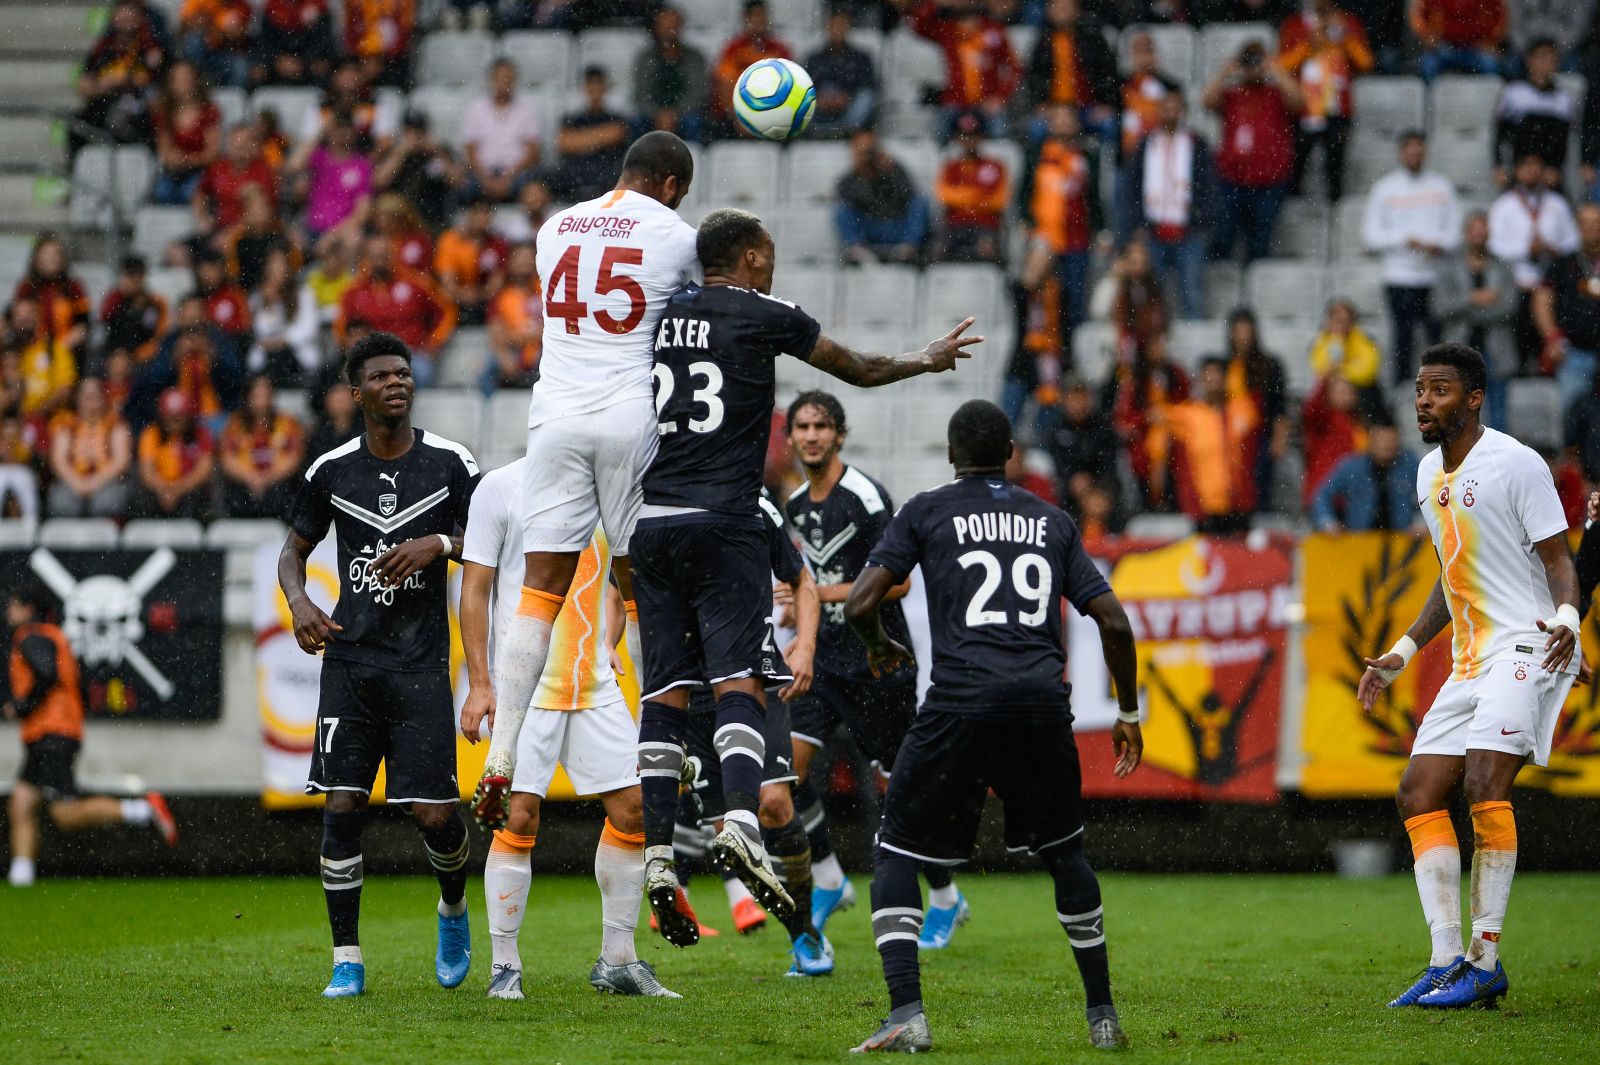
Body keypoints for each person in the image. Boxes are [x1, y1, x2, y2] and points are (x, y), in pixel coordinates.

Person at [626, 207, 980, 946]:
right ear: (752, 255)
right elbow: (860, 368)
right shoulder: (765, 313)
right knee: (738, 685)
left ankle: (659, 851)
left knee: (664, 692)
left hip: (650, 519)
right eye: (771, 254)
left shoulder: (659, 313)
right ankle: (744, 826)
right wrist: (925, 358)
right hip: (724, 517)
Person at [842, 398, 1142, 1053]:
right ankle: (1102, 1016)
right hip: (1038, 703)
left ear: (952, 454)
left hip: (957, 702)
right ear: (1012, 453)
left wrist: (876, 644)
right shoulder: (1051, 519)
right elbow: (1114, 622)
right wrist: (1127, 711)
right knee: (1066, 853)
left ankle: (907, 1014)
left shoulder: (925, 509)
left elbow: (861, 602)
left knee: (895, 850)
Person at [470, 131, 700, 825]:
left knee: (540, 589)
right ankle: (658, 738)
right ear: (668, 184)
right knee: (639, 584)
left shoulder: (554, 228)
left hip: (556, 416)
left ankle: (501, 755)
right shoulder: (677, 234)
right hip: (630, 412)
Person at [1359, 342, 1580, 1009]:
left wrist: (1568, 617)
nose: (1424, 400)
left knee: (1484, 779)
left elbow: (1559, 559)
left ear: (1475, 397)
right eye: (1421, 388)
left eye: (1441, 389)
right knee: (1418, 790)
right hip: (1467, 656)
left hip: (1526, 644)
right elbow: (1452, 574)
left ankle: (1485, 960)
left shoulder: (1517, 463)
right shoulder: (1428, 472)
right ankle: (1446, 957)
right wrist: (1402, 649)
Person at [277, 332, 480, 999]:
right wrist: (300, 599)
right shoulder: (332, 469)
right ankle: (347, 958)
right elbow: (292, 550)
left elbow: (488, 547)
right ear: (356, 392)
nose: (398, 381)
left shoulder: (451, 463)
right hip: (350, 662)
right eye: (382, 376)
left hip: (420, 665)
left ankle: (452, 906)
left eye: (404, 372)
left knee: (435, 817)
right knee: (341, 807)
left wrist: (440, 541)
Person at [458, 456, 675, 1000]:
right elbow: (476, 588)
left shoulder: (614, 485)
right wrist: (480, 682)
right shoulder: (500, 487)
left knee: (636, 809)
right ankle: (504, 966)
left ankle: (618, 958)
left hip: (593, 683)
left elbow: (626, 584)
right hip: (523, 688)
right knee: (519, 817)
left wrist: (621, 643)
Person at [783, 390, 971, 949]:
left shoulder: (865, 498)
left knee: (898, 789)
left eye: (821, 426)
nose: (812, 435)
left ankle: (944, 896)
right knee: (784, 777)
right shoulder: (794, 504)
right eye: (802, 426)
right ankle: (828, 879)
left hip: (875, 658)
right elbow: (808, 585)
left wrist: (821, 591)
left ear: (840, 435)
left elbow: (900, 579)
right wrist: (800, 603)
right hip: (821, 660)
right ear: (790, 437)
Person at [674, 490, 824, 967]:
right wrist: (615, 642)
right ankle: (790, 922)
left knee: (776, 806)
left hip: (754, 677)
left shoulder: (753, 503)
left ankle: (805, 933)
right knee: (726, 836)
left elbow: (802, 581)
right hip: (691, 690)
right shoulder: (659, 502)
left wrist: (803, 647)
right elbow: (620, 589)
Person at [5, 583, 179, 889]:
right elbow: (76, 685)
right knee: (21, 802)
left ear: (29, 609)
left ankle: (141, 809)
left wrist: (22, 706)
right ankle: (21, 876)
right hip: (53, 733)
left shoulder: (30, 636)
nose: (9, 610)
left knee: (65, 814)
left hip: (51, 733)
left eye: (15, 604)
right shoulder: (56, 637)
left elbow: (46, 674)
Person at [1364, 131, 1461, 385]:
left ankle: (1439, 388)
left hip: (1433, 276)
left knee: (1436, 340)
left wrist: (1435, 244)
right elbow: (1371, 235)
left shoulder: (1441, 186)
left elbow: (1454, 232)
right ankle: (1403, 390)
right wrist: (1404, 240)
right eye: (1410, 149)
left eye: (1419, 149)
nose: (1414, 154)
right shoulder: (1384, 188)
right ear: (1401, 152)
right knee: (1402, 339)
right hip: (1399, 275)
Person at [1115, 90, 1215, 320]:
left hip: (1188, 232)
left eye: (1175, 107)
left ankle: (1194, 346)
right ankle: (1152, 346)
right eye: (1165, 107)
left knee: (1192, 294)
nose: (1170, 112)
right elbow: (1131, 189)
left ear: (1183, 111)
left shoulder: (1196, 145)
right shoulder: (1145, 145)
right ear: (1158, 111)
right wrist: (1136, 225)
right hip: (1152, 232)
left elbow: (1209, 188)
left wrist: (1201, 222)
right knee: (1150, 296)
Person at [1203, 40, 1302, 264]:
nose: (1252, 66)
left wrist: (1274, 69)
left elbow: (1298, 102)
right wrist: (1225, 72)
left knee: (1260, 242)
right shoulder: (1233, 94)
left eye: (1256, 61)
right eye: (1248, 61)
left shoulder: (1276, 94)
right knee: (1223, 238)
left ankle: (1255, 289)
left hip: (1270, 180)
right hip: (1232, 178)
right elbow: (1206, 101)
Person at [1278, 0, 1373, 203]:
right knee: (1297, 166)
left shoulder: (1347, 23)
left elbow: (1366, 63)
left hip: (1336, 109)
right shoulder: (1294, 25)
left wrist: (1344, 37)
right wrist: (1308, 45)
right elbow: (1283, 66)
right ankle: (1297, 217)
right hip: (1304, 109)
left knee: (1335, 167)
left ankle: (1335, 215)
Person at [336, 234, 457, 388]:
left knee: (419, 372)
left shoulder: (417, 283)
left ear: (394, 254)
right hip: (370, 358)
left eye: (384, 254)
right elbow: (341, 328)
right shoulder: (353, 292)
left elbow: (448, 311)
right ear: (365, 257)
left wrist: (434, 341)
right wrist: (355, 350)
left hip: (411, 356)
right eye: (374, 256)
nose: (380, 260)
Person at [1158, 356, 1260, 532]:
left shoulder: (1240, 409)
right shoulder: (1189, 414)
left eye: (1218, 374)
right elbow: (1157, 416)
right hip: (1204, 506)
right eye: (1208, 374)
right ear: (1201, 379)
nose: (1213, 379)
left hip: (1237, 502)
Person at [1435, 211, 1518, 428]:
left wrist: (1466, 310)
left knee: (1498, 413)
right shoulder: (1450, 265)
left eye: (1483, 230)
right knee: (1457, 411)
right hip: (1460, 349)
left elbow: (1509, 307)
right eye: (1475, 230)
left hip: (1495, 348)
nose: (1479, 235)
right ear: (1466, 233)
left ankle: (1496, 459)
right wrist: (1472, 298)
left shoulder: (1503, 266)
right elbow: (1439, 307)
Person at [900, 0, 1020, 141]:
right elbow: (918, 25)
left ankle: (992, 163)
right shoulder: (947, 30)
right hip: (955, 103)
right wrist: (936, 3)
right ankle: (947, 162)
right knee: (937, 135)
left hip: (986, 104)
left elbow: (1014, 68)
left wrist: (1000, 97)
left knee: (1001, 137)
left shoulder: (994, 30)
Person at [1533, 203, 1600, 413]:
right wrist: (1553, 338)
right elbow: (1542, 301)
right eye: (1586, 223)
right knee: (1572, 417)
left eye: (1596, 223)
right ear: (1577, 226)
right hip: (1574, 352)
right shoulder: (1563, 263)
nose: (1591, 228)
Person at [1022, 0, 1118, 145]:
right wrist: (1042, 104)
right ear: (1049, 12)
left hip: (1088, 108)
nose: (1063, 12)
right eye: (1058, 7)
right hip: (1054, 109)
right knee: (1036, 128)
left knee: (1109, 124)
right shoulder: (1043, 43)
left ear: (1077, 11)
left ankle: (1104, 167)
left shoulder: (1093, 39)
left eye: (1067, 7)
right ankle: (1043, 167)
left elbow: (1107, 74)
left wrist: (1105, 103)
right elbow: (1034, 78)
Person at [834, 129, 928, 265]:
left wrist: (889, 173)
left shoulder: (893, 169)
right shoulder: (852, 177)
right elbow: (850, 197)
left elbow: (908, 194)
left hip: (897, 225)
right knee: (841, 209)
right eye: (863, 151)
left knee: (921, 202)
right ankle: (857, 249)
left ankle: (908, 248)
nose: (868, 156)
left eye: (870, 150)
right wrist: (863, 175)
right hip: (870, 228)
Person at [220, 374, 304, 518]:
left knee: (284, 493)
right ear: (248, 397)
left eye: (266, 394)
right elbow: (227, 459)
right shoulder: (234, 425)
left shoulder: (288, 424)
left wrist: (267, 478)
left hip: (277, 485)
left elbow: (294, 458)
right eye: (257, 394)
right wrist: (250, 478)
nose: (262, 400)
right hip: (244, 486)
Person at [1494, 37, 1574, 190]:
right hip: (1519, 171)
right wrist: (1499, 165)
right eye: (1542, 56)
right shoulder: (1514, 92)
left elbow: (1563, 140)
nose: (1548, 62)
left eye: (1553, 57)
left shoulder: (1563, 99)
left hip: (1550, 174)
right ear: (1529, 59)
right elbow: (1500, 132)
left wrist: (1556, 168)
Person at [46, 377, 132, 518]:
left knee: (107, 502)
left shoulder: (115, 424)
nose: (90, 403)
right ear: (77, 400)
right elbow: (58, 461)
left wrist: (93, 483)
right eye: (86, 397)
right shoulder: (66, 425)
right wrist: (78, 483)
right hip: (72, 483)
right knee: (62, 502)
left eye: (94, 397)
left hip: (106, 483)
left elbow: (121, 461)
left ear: (103, 399)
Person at [1311, 420, 1420, 531]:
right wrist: (1328, 522)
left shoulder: (1410, 465)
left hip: (1403, 539)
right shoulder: (1352, 467)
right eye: (1381, 440)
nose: (1387, 445)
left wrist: (1421, 522)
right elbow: (1322, 496)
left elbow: (1433, 495)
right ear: (1371, 441)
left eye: (1391, 440)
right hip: (1360, 539)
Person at [463, 58, 544, 205]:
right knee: (461, 183)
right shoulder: (476, 109)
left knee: (533, 186)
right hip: (483, 174)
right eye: (500, 78)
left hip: (516, 174)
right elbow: (470, 151)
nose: (504, 83)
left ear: (514, 81)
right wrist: (486, 178)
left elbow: (533, 152)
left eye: (508, 78)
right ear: (491, 80)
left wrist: (508, 177)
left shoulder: (526, 110)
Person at [934, 111, 1010, 265]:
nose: (969, 140)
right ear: (957, 138)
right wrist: (978, 195)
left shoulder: (995, 166)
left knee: (987, 251)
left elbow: (999, 200)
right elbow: (943, 195)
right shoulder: (951, 167)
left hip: (986, 224)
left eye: (974, 135)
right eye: (964, 135)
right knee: (937, 252)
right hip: (955, 224)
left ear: (981, 137)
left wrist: (962, 198)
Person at [709, 1, 792, 138]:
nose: (758, 20)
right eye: (754, 16)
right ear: (745, 19)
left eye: (762, 16)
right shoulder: (733, 50)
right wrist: (740, 117)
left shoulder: (779, 50)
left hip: (772, 114)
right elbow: (725, 85)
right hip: (735, 117)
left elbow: (789, 86)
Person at [552, 67, 632, 203]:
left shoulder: (616, 117)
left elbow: (616, 133)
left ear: (605, 87)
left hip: (607, 174)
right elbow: (563, 143)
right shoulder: (573, 118)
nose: (594, 90)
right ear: (584, 88)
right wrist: (601, 138)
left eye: (598, 84)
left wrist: (579, 140)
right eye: (591, 84)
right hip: (576, 174)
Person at [134, 388, 216, 519]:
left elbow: (204, 470)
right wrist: (163, 489)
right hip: (158, 493)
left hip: (189, 492)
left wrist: (177, 490)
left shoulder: (201, 434)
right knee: (141, 494)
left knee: (201, 495)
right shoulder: (151, 434)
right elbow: (146, 470)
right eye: (170, 417)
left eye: (179, 417)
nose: (174, 423)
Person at [633, 6, 710, 143]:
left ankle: (692, 160)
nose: (669, 30)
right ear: (656, 27)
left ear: (680, 26)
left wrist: (675, 114)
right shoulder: (646, 58)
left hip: (685, 114)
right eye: (665, 25)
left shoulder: (695, 57)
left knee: (695, 123)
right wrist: (658, 114)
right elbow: (641, 93)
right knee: (635, 123)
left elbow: (698, 93)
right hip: (652, 115)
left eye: (673, 25)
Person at [247, 246, 321, 386]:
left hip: (297, 358)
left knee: (282, 358)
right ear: (266, 268)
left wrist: (283, 340)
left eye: (281, 264)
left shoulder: (303, 293)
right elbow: (258, 331)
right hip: (267, 360)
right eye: (273, 264)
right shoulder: (257, 297)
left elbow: (309, 328)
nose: (277, 269)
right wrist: (269, 305)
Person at [151, 60, 221, 205]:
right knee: (161, 192)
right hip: (175, 172)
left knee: (188, 193)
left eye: (186, 78)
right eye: (178, 79)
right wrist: (175, 161)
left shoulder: (208, 112)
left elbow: (212, 154)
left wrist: (186, 160)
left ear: (195, 80)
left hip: (201, 170)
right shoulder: (164, 114)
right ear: (171, 84)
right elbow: (164, 151)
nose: (183, 83)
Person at [434, 197, 510, 326]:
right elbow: (447, 280)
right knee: (442, 295)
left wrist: (478, 293)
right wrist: (461, 293)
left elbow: (497, 282)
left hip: (485, 300)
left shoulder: (498, 244)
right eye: (478, 213)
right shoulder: (451, 240)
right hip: (456, 298)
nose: (483, 218)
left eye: (487, 213)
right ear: (469, 215)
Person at [804, 9, 878, 139]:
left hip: (849, 109)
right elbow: (805, 86)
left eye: (842, 25)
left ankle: (846, 130)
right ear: (827, 27)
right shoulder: (814, 58)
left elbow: (868, 85)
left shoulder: (861, 58)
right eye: (834, 25)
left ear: (849, 27)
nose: (838, 29)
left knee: (866, 96)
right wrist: (821, 100)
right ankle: (819, 131)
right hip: (820, 109)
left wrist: (847, 97)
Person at [14, 235, 92, 357]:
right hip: (31, 352)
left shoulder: (73, 287)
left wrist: (61, 347)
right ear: (36, 259)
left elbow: (83, 324)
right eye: (46, 254)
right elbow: (15, 322)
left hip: (67, 353)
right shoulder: (27, 288)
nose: (52, 259)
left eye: (56, 254)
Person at [195, 125, 278, 238]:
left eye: (244, 141)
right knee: (177, 250)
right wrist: (203, 218)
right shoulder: (218, 167)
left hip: (252, 233)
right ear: (229, 144)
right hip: (220, 229)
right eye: (236, 141)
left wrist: (232, 233)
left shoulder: (262, 170)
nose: (240, 145)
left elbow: (263, 213)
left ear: (253, 145)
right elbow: (200, 192)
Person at [483, 243, 541, 394]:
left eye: (529, 258)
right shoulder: (501, 295)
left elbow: (552, 329)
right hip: (512, 350)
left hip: (542, 350)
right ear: (510, 263)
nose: (524, 263)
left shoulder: (546, 291)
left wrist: (518, 337)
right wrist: (504, 354)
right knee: (488, 369)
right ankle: (488, 415)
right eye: (520, 258)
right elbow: (497, 333)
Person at [7, 296, 77, 420]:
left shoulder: (55, 348)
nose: (24, 320)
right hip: (16, 427)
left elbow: (65, 390)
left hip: (52, 422)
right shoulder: (8, 355)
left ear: (38, 317)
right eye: (19, 317)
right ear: (11, 321)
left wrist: (36, 415)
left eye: (28, 316)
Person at [1409, 0, 1508, 82]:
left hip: (1475, 48)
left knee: (1491, 66)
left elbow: (1500, 17)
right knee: (1427, 66)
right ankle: (1429, 105)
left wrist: (1491, 40)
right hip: (1443, 48)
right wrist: (1427, 36)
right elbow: (1418, 16)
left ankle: (1489, 104)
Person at [99, 255, 169, 366]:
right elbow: (105, 318)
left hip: (144, 358)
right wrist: (120, 294)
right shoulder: (116, 299)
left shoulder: (155, 302)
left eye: (138, 276)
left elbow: (160, 334)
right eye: (130, 276)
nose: (135, 281)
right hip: (115, 355)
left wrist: (139, 354)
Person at [251, 0, 337, 88]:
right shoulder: (273, 6)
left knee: (322, 67)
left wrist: (303, 61)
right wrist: (277, 59)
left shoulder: (318, 5)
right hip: (278, 61)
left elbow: (323, 40)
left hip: (308, 61)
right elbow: (265, 40)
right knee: (258, 72)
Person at [1309, 298, 1382, 391]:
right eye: (1336, 320)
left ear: (1352, 322)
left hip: (1358, 389)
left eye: (1344, 320)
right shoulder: (1321, 340)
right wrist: (1337, 340)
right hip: (1332, 389)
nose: (1340, 325)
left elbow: (1368, 370)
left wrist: (1341, 373)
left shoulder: (1363, 338)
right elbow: (1320, 368)